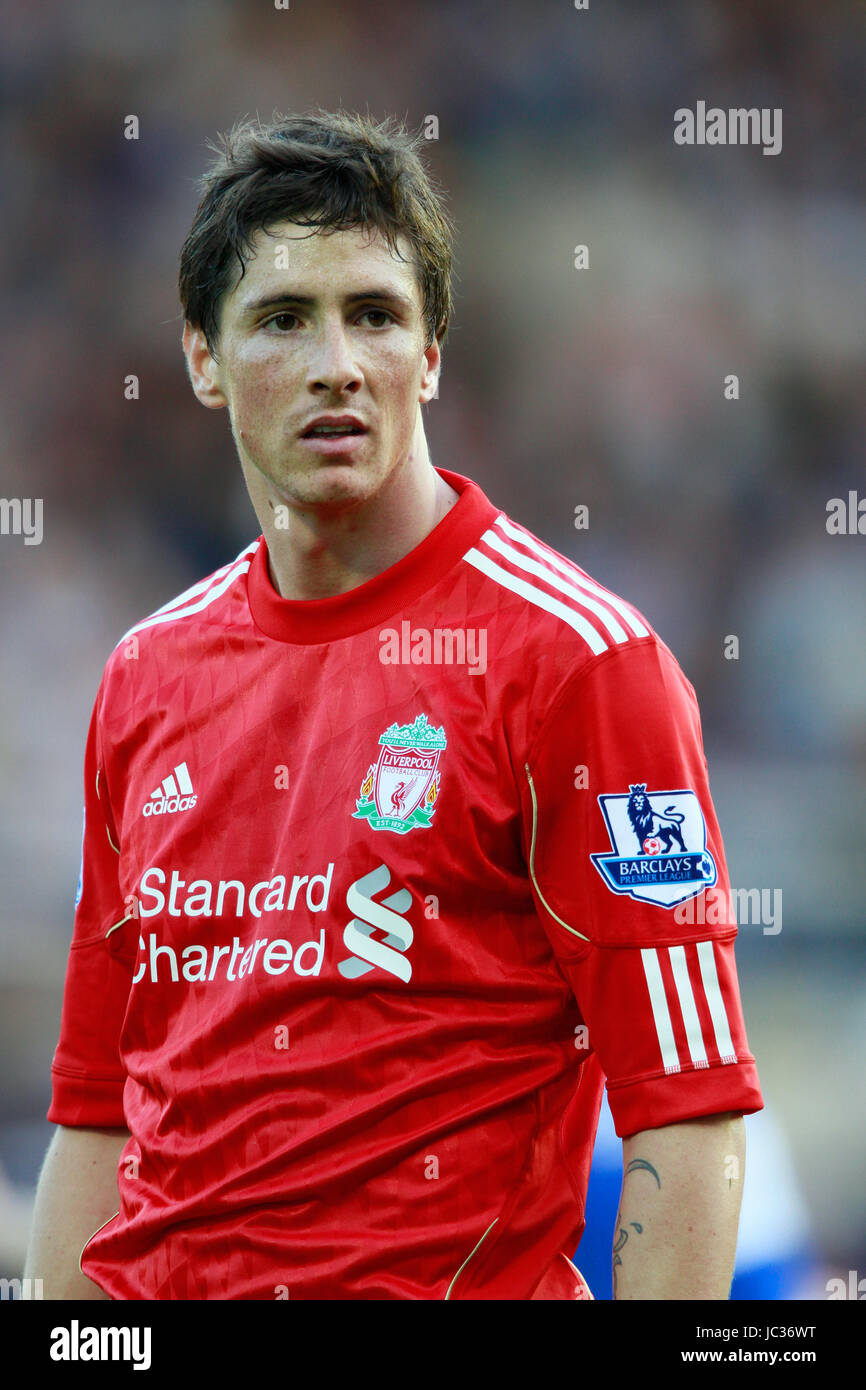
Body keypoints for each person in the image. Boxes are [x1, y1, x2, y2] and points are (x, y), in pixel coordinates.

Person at [25, 109, 763, 1301]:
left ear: (428, 357)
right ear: (202, 362)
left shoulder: (581, 662)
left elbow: (688, 1110)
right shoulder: (144, 675)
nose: (336, 364)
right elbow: (100, 1112)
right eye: (281, 319)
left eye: (375, 315)